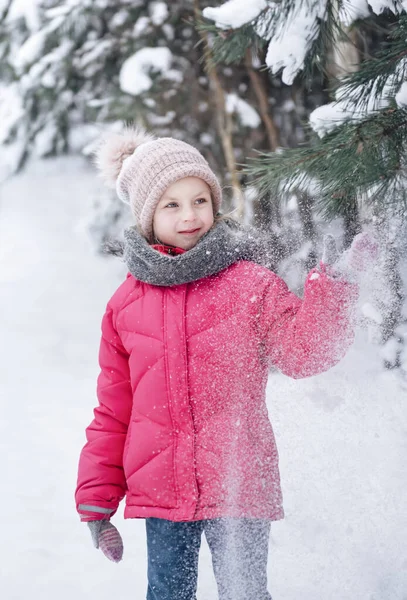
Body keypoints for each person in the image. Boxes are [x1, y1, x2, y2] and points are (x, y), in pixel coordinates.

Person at [75, 127, 373, 600]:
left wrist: (336, 284)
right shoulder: (124, 306)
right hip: (163, 493)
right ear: (147, 216)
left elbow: (303, 353)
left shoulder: (249, 284)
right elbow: (114, 412)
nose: (190, 214)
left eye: (199, 199)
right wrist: (96, 500)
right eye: (171, 204)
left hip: (239, 485)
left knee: (245, 593)